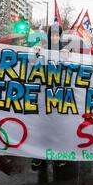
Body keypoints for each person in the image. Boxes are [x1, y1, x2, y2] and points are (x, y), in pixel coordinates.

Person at [31, 23, 68, 170]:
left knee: (57, 127)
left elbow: (70, 70)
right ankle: (39, 156)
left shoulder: (65, 50)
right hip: (43, 94)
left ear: (60, 36)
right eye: (52, 34)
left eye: (57, 34)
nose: (54, 37)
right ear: (48, 36)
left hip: (58, 94)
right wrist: (35, 53)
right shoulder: (43, 49)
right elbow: (32, 65)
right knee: (42, 127)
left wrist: (67, 58)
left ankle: (57, 155)